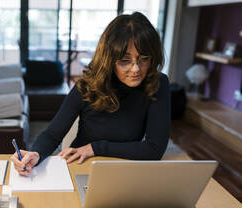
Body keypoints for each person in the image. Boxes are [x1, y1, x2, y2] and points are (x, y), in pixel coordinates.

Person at [12, 12, 170, 176]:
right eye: (125, 60)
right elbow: (52, 135)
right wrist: (36, 153)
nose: (136, 69)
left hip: (124, 170)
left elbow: (154, 149)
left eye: (143, 58)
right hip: (81, 166)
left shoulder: (158, 84)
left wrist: (96, 148)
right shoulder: (88, 85)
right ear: (109, 59)